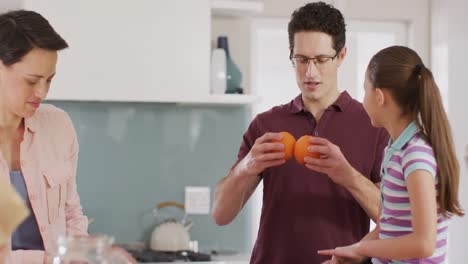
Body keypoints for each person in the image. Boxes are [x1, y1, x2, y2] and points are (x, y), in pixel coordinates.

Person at [211, 2, 389, 263]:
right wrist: (247, 166)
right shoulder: (265, 124)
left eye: (321, 60)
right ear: (291, 55)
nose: (310, 72)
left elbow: (393, 219)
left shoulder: (373, 125)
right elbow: (220, 215)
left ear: (341, 56)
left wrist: (348, 176)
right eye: (302, 60)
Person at [318, 46, 464, 263]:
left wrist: (363, 249)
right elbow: (390, 225)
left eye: (365, 90)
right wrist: (354, 251)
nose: (363, 98)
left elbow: (424, 244)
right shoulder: (395, 149)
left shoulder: (415, 156)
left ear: (379, 97)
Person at [0, 10, 88, 263]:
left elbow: (71, 213)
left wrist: (83, 254)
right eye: (32, 81)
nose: (42, 92)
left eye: (49, 80)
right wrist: (48, 260)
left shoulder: (58, 125)